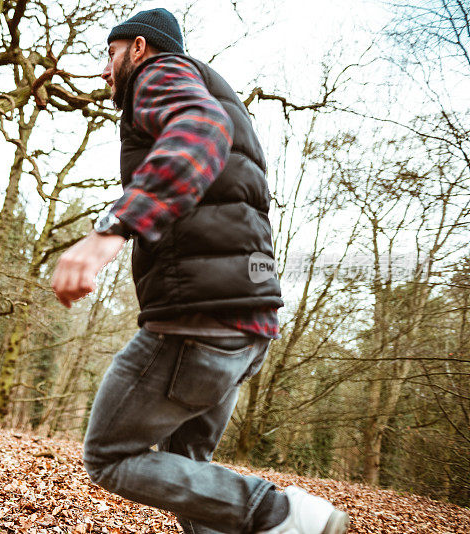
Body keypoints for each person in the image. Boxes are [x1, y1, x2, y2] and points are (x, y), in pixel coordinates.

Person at [50, 8, 350, 534]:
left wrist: (111, 230)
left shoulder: (161, 74)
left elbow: (200, 133)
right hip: (247, 321)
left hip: (199, 323)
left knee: (110, 455)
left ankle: (279, 513)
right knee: (189, 475)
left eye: (110, 55)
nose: (104, 71)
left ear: (138, 48)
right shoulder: (218, 94)